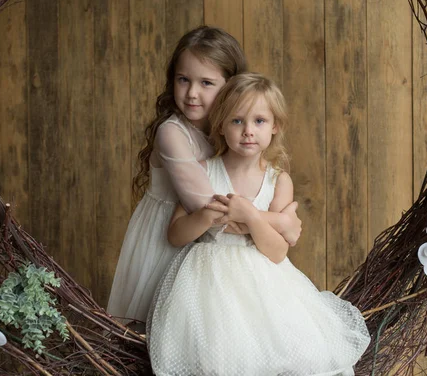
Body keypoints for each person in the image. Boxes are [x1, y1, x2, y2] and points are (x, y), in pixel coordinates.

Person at [147, 73, 370, 375]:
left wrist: (250, 216)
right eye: (237, 121)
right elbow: (175, 234)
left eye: (260, 121)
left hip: (263, 284)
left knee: (272, 352)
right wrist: (208, 215)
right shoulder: (204, 171)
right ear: (221, 125)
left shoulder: (279, 181)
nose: (248, 131)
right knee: (219, 358)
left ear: (275, 126)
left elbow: (278, 252)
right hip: (207, 282)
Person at [107, 27, 302, 323]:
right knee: (158, 325)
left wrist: (260, 220)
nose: (192, 93)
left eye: (206, 83)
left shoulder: (232, 132)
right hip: (170, 239)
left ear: (230, 86)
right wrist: (280, 222)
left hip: (216, 253)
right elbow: (208, 206)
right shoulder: (172, 132)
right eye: (183, 79)